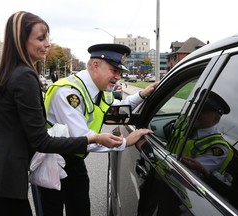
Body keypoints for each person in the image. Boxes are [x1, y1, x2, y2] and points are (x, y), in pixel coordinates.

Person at [0, 12, 129, 216]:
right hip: (5, 180)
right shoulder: (25, 76)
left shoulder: (5, 72)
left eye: (47, 38)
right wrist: (93, 138)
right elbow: (41, 141)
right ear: (21, 40)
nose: (48, 44)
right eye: (41, 38)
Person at [39, 43, 157, 216]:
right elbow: (82, 138)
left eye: (120, 72)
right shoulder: (68, 92)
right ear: (95, 65)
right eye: (114, 70)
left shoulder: (99, 90)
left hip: (75, 161)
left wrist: (141, 95)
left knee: (80, 210)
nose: (118, 77)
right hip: (52, 162)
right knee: (52, 211)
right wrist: (124, 142)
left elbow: (117, 107)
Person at [181, 91, 234, 178]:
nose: (195, 112)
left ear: (216, 120)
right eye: (196, 107)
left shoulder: (219, 148)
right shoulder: (185, 121)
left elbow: (188, 173)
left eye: (202, 111)